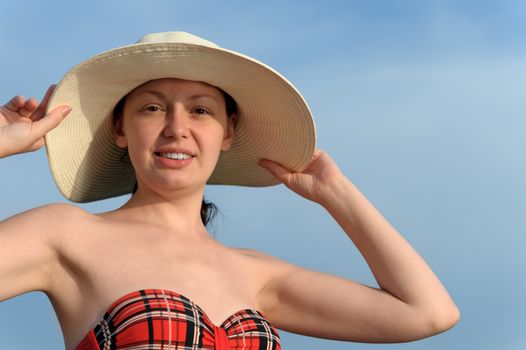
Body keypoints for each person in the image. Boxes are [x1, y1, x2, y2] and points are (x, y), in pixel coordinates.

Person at [0, 32, 459, 350]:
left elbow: (427, 312)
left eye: (200, 111)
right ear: (120, 128)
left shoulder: (257, 274)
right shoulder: (65, 235)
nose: (176, 129)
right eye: (153, 107)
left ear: (228, 132)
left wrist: (336, 192)